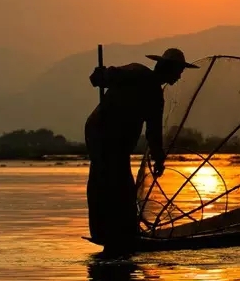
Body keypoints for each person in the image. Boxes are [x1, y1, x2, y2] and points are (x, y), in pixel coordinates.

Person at [85, 47, 198, 250]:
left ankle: (117, 232)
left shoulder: (156, 96)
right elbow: (104, 76)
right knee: (109, 181)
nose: (179, 77)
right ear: (167, 68)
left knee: (115, 182)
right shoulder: (137, 73)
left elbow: (153, 132)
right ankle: (112, 232)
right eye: (178, 71)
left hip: (118, 140)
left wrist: (158, 157)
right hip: (102, 133)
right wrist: (102, 75)